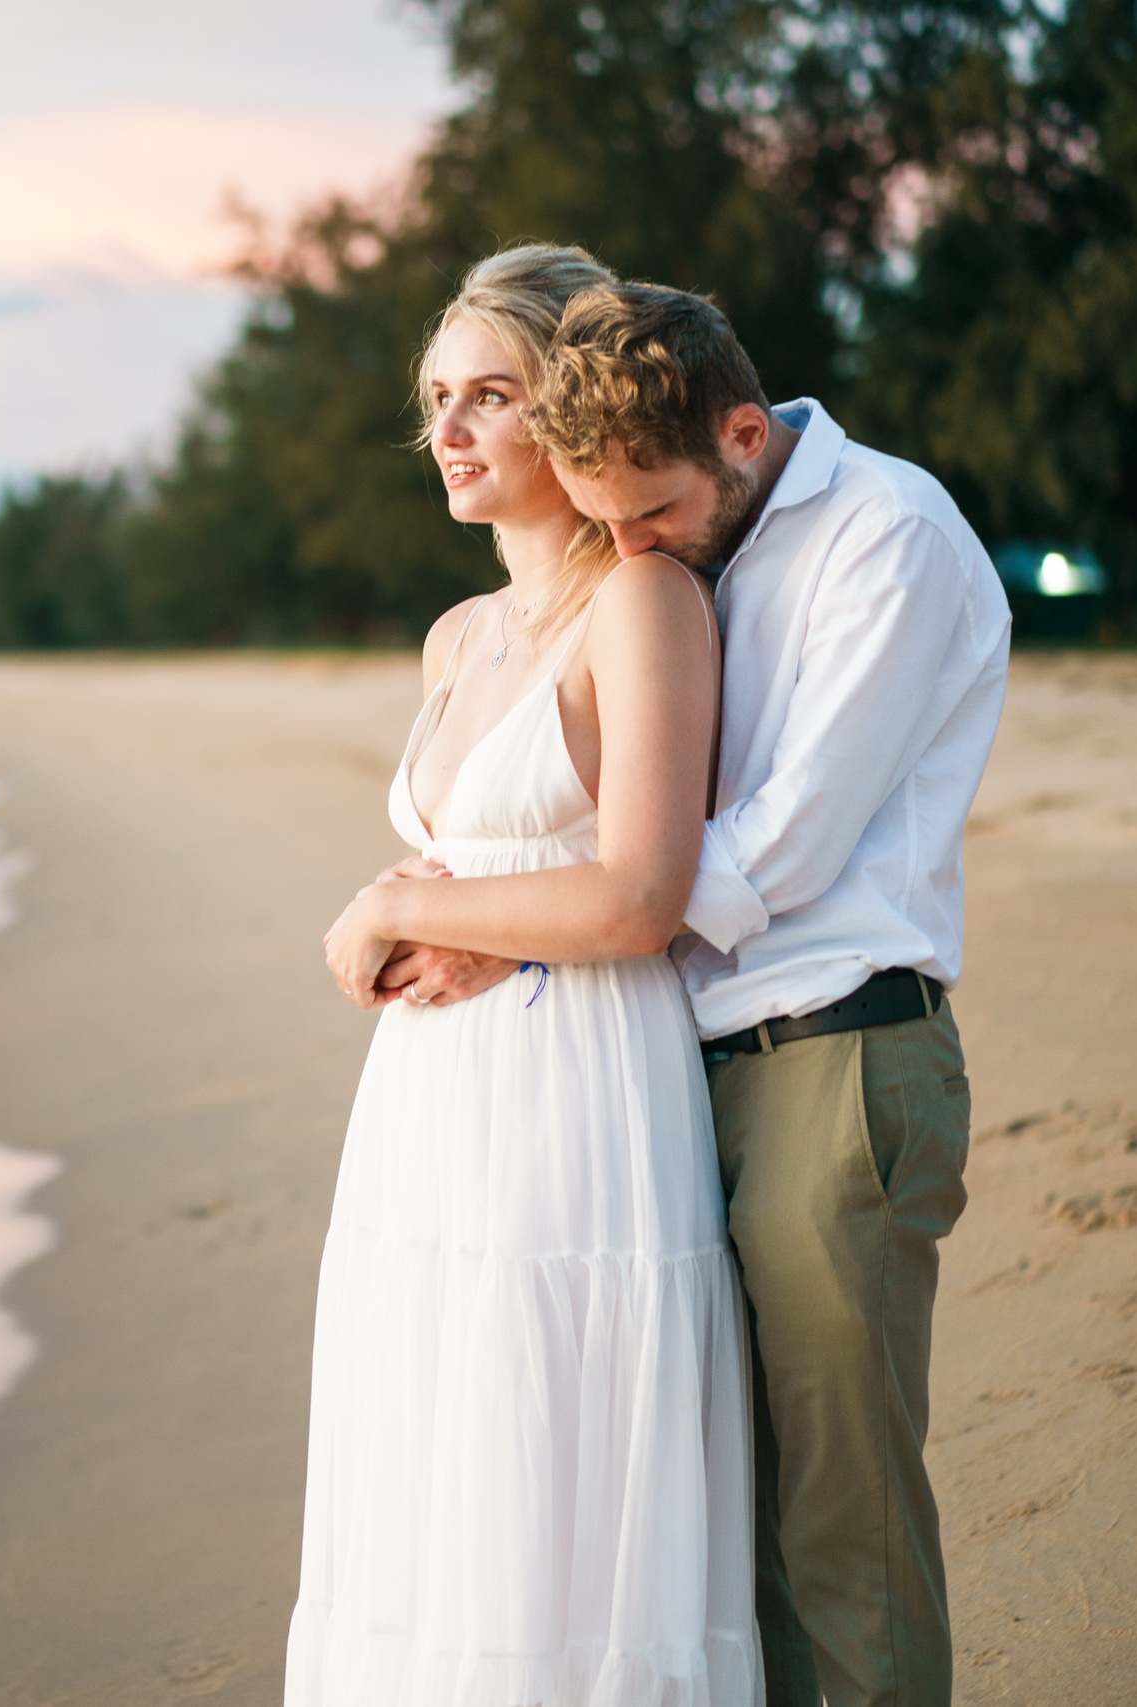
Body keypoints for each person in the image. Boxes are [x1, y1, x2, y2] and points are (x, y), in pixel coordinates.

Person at [425, 281, 1009, 1707]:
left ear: (744, 435)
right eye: (607, 525)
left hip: (837, 1057)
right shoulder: (703, 521)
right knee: (726, 1524)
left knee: (842, 1522)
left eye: (651, 520)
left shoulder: (891, 537)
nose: (632, 554)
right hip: (689, 1070)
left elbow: (782, 845)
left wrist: (536, 926)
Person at [290, 244, 761, 1707]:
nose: (451, 431)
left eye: (491, 395)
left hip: (576, 1094)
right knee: (438, 1455)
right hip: (429, 1110)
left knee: (552, 1444)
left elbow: (640, 894)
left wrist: (408, 903)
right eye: (438, 399)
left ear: (569, 411)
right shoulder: (457, 635)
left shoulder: (642, 605)